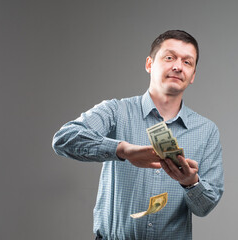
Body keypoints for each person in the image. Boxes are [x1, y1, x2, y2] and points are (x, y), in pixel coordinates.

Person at [52, 30, 224, 240]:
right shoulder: (116, 111)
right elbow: (64, 139)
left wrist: (191, 182)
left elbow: (206, 206)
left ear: (193, 76)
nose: (178, 66)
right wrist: (123, 150)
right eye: (169, 57)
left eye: (187, 62)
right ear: (149, 64)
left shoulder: (206, 130)